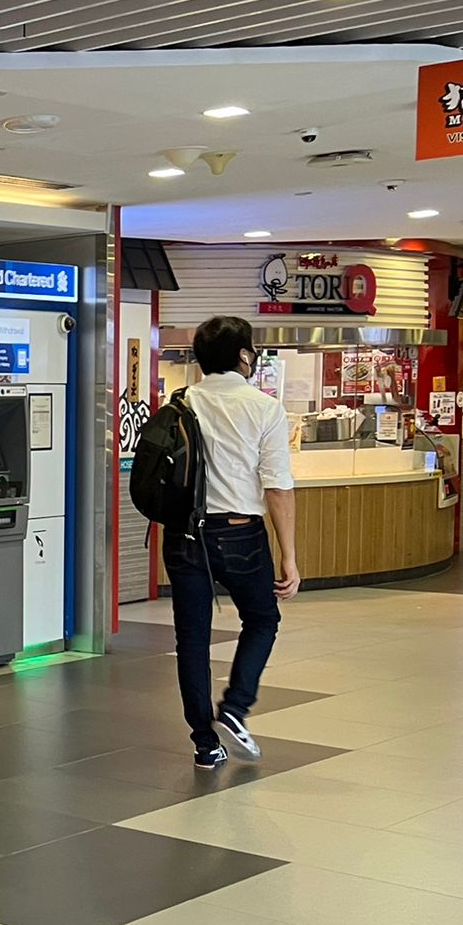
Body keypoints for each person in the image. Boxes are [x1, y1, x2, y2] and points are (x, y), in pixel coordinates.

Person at [168, 315, 301, 770]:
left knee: (192, 640)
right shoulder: (264, 408)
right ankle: (235, 707)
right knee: (262, 618)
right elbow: (278, 487)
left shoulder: (182, 402)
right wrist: (290, 557)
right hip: (241, 531)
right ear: (245, 355)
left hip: (184, 535)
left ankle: (205, 743)